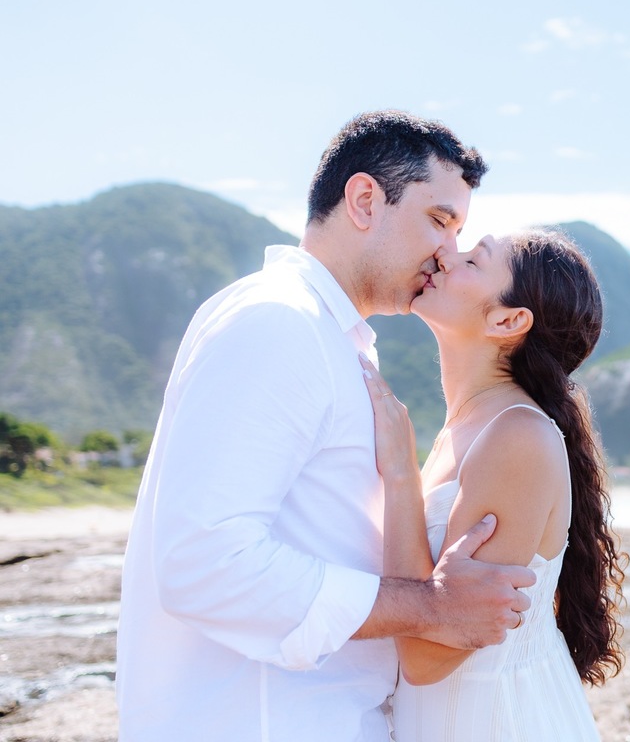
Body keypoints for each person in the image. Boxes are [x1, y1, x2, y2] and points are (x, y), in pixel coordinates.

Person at [116, 110, 535, 742]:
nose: (449, 251)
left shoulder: (335, 340)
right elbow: (205, 561)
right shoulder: (278, 322)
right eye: (439, 220)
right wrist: (431, 607)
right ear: (366, 199)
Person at [359, 228, 626, 741]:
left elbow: (427, 657)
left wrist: (400, 477)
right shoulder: (470, 428)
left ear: (507, 320)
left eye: (474, 261)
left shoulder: (516, 436)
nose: (444, 255)